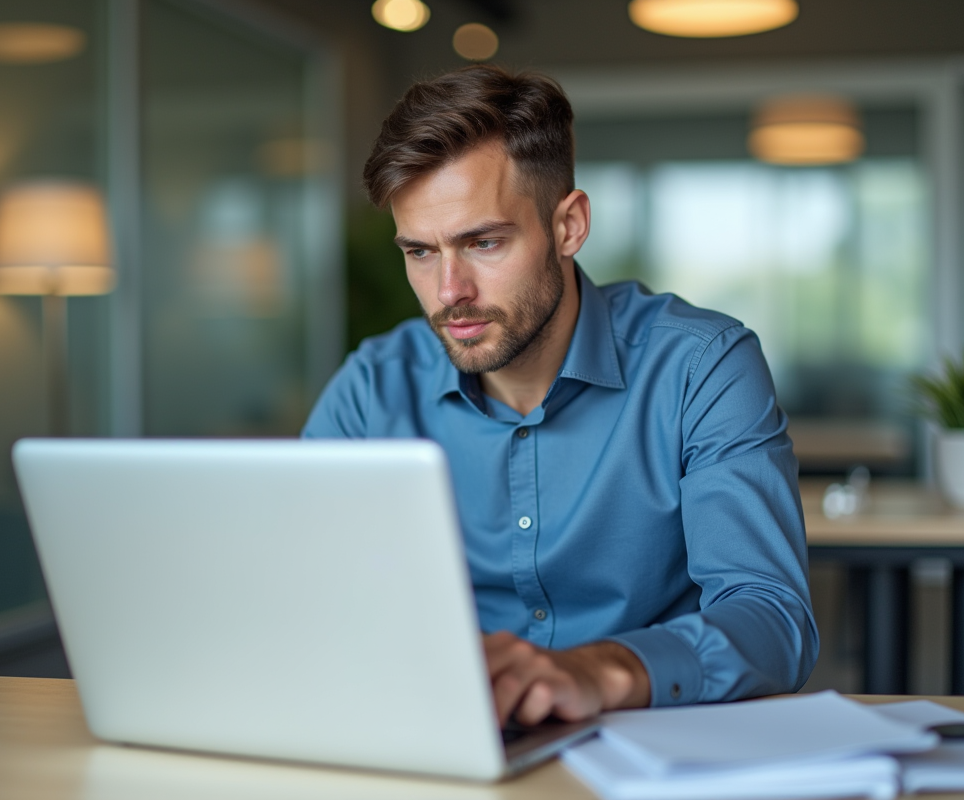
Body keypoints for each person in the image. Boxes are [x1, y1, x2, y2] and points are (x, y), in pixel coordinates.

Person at [303, 65, 818, 727]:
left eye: (483, 242)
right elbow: (303, 600)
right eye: (420, 253)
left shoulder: (700, 367)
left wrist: (597, 670)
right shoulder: (373, 389)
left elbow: (772, 616)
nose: (448, 290)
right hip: (443, 746)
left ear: (569, 226)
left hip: (651, 743)